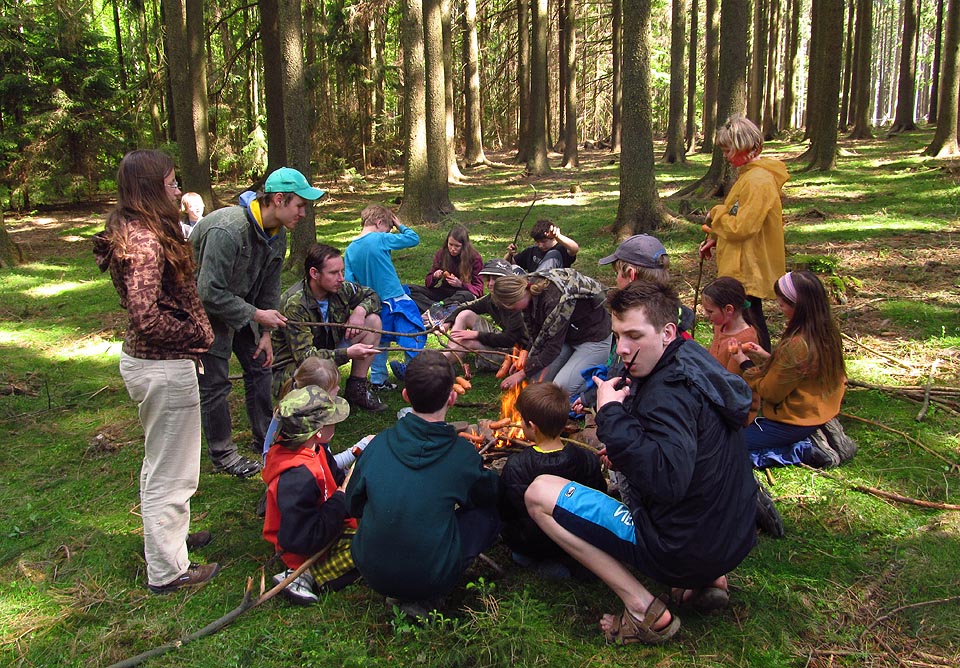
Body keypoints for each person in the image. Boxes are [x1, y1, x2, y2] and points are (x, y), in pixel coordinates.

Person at [523, 281, 757, 645]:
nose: (624, 348)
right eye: (618, 335)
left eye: (634, 335)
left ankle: (643, 609)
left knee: (538, 495)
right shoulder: (692, 358)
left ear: (665, 332)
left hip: (681, 547)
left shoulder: (666, 395)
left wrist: (611, 414)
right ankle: (708, 579)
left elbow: (665, 482)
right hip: (732, 537)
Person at [93, 149, 220, 594]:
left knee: (161, 463)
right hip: (163, 368)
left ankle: (169, 542)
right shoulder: (145, 242)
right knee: (173, 471)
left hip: (159, 365)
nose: (177, 189)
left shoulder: (146, 231)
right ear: (150, 187)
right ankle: (168, 571)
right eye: (170, 182)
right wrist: (192, 337)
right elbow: (145, 316)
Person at [191, 167, 325, 478]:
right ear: (279, 199)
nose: (304, 213)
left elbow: (269, 287)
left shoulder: (277, 237)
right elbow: (208, 291)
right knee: (215, 383)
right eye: (300, 205)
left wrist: (265, 332)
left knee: (260, 367)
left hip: (243, 308)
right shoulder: (228, 230)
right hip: (205, 311)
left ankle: (264, 436)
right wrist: (255, 315)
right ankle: (224, 455)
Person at [345, 351, 501, 611]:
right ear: (452, 397)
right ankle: (426, 593)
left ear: (405, 396)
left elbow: (352, 504)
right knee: (488, 515)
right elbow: (487, 495)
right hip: (430, 576)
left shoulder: (379, 444)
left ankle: (398, 571)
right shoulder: (460, 454)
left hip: (370, 568)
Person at [729, 271, 846, 468]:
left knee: (730, 446)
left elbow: (771, 392)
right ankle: (817, 435)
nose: (779, 307)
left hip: (795, 420)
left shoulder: (798, 344)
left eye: (782, 303)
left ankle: (807, 449)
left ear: (798, 307)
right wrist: (770, 358)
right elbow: (803, 371)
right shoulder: (826, 330)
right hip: (823, 408)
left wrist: (745, 364)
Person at [262, 385, 365, 605]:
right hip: (305, 548)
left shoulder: (314, 449)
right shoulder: (297, 478)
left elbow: (335, 477)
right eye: (332, 420)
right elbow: (303, 538)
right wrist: (341, 499)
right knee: (370, 544)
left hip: (328, 522)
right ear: (318, 431)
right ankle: (303, 576)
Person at [698, 115, 788, 352]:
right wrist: (715, 239)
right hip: (739, 265)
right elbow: (737, 215)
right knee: (744, 320)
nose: (726, 156)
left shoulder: (758, 180)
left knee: (750, 324)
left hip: (749, 268)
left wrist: (716, 213)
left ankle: (758, 375)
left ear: (749, 147)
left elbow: (743, 228)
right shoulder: (747, 176)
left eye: (729, 150)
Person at [499, 382, 606, 578]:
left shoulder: (517, 466)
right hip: (579, 540)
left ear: (531, 426)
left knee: (519, 554)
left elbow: (508, 511)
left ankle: (547, 567)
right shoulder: (587, 459)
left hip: (534, 544)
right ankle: (574, 561)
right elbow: (599, 497)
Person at [271, 243, 386, 412]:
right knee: (310, 406)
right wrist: (347, 353)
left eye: (342, 271)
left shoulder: (341, 288)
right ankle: (307, 402)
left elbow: (373, 296)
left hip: (326, 350)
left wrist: (360, 311)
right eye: (333, 273)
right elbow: (305, 358)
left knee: (373, 321)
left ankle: (357, 388)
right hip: (293, 367)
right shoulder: (295, 304)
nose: (341, 278)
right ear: (314, 273)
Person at [491, 268, 612, 396]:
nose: (512, 311)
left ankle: (600, 383)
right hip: (568, 337)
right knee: (537, 381)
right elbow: (539, 331)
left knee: (561, 389)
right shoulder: (528, 291)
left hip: (594, 338)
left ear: (513, 300)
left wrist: (523, 373)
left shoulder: (554, 300)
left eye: (510, 308)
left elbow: (552, 348)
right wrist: (527, 352)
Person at [343, 204, 425, 386]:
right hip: (396, 299)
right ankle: (414, 373)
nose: (390, 231)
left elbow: (349, 283)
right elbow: (413, 239)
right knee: (413, 332)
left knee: (380, 340)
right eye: (388, 227)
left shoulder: (350, 250)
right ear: (379, 223)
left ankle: (378, 380)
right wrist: (400, 225)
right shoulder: (380, 238)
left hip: (374, 305)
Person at [441, 258, 530, 372]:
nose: (491, 283)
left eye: (496, 279)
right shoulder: (492, 298)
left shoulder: (516, 303)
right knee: (465, 314)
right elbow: (466, 306)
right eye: (488, 279)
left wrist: (476, 335)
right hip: (503, 340)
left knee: (470, 341)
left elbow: (509, 339)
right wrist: (448, 322)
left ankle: (439, 364)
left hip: (516, 352)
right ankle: (451, 351)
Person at [407, 224, 484, 313]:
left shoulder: (474, 258)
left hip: (461, 294)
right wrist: (435, 277)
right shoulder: (442, 254)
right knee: (409, 289)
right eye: (450, 244)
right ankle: (440, 309)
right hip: (443, 292)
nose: (452, 249)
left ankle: (436, 308)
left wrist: (461, 284)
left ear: (464, 246)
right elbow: (428, 284)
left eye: (457, 246)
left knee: (466, 296)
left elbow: (479, 290)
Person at [506, 219, 579, 272]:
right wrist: (509, 254)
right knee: (513, 268)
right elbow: (508, 265)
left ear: (553, 239)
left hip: (552, 287)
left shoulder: (561, 250)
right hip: (529, 285)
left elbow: (574, 249)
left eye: (544, 241)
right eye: (537, 242)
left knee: (553, 254)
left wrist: (558, 236)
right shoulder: (531, 251)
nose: (540, 245)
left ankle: (535, 283)